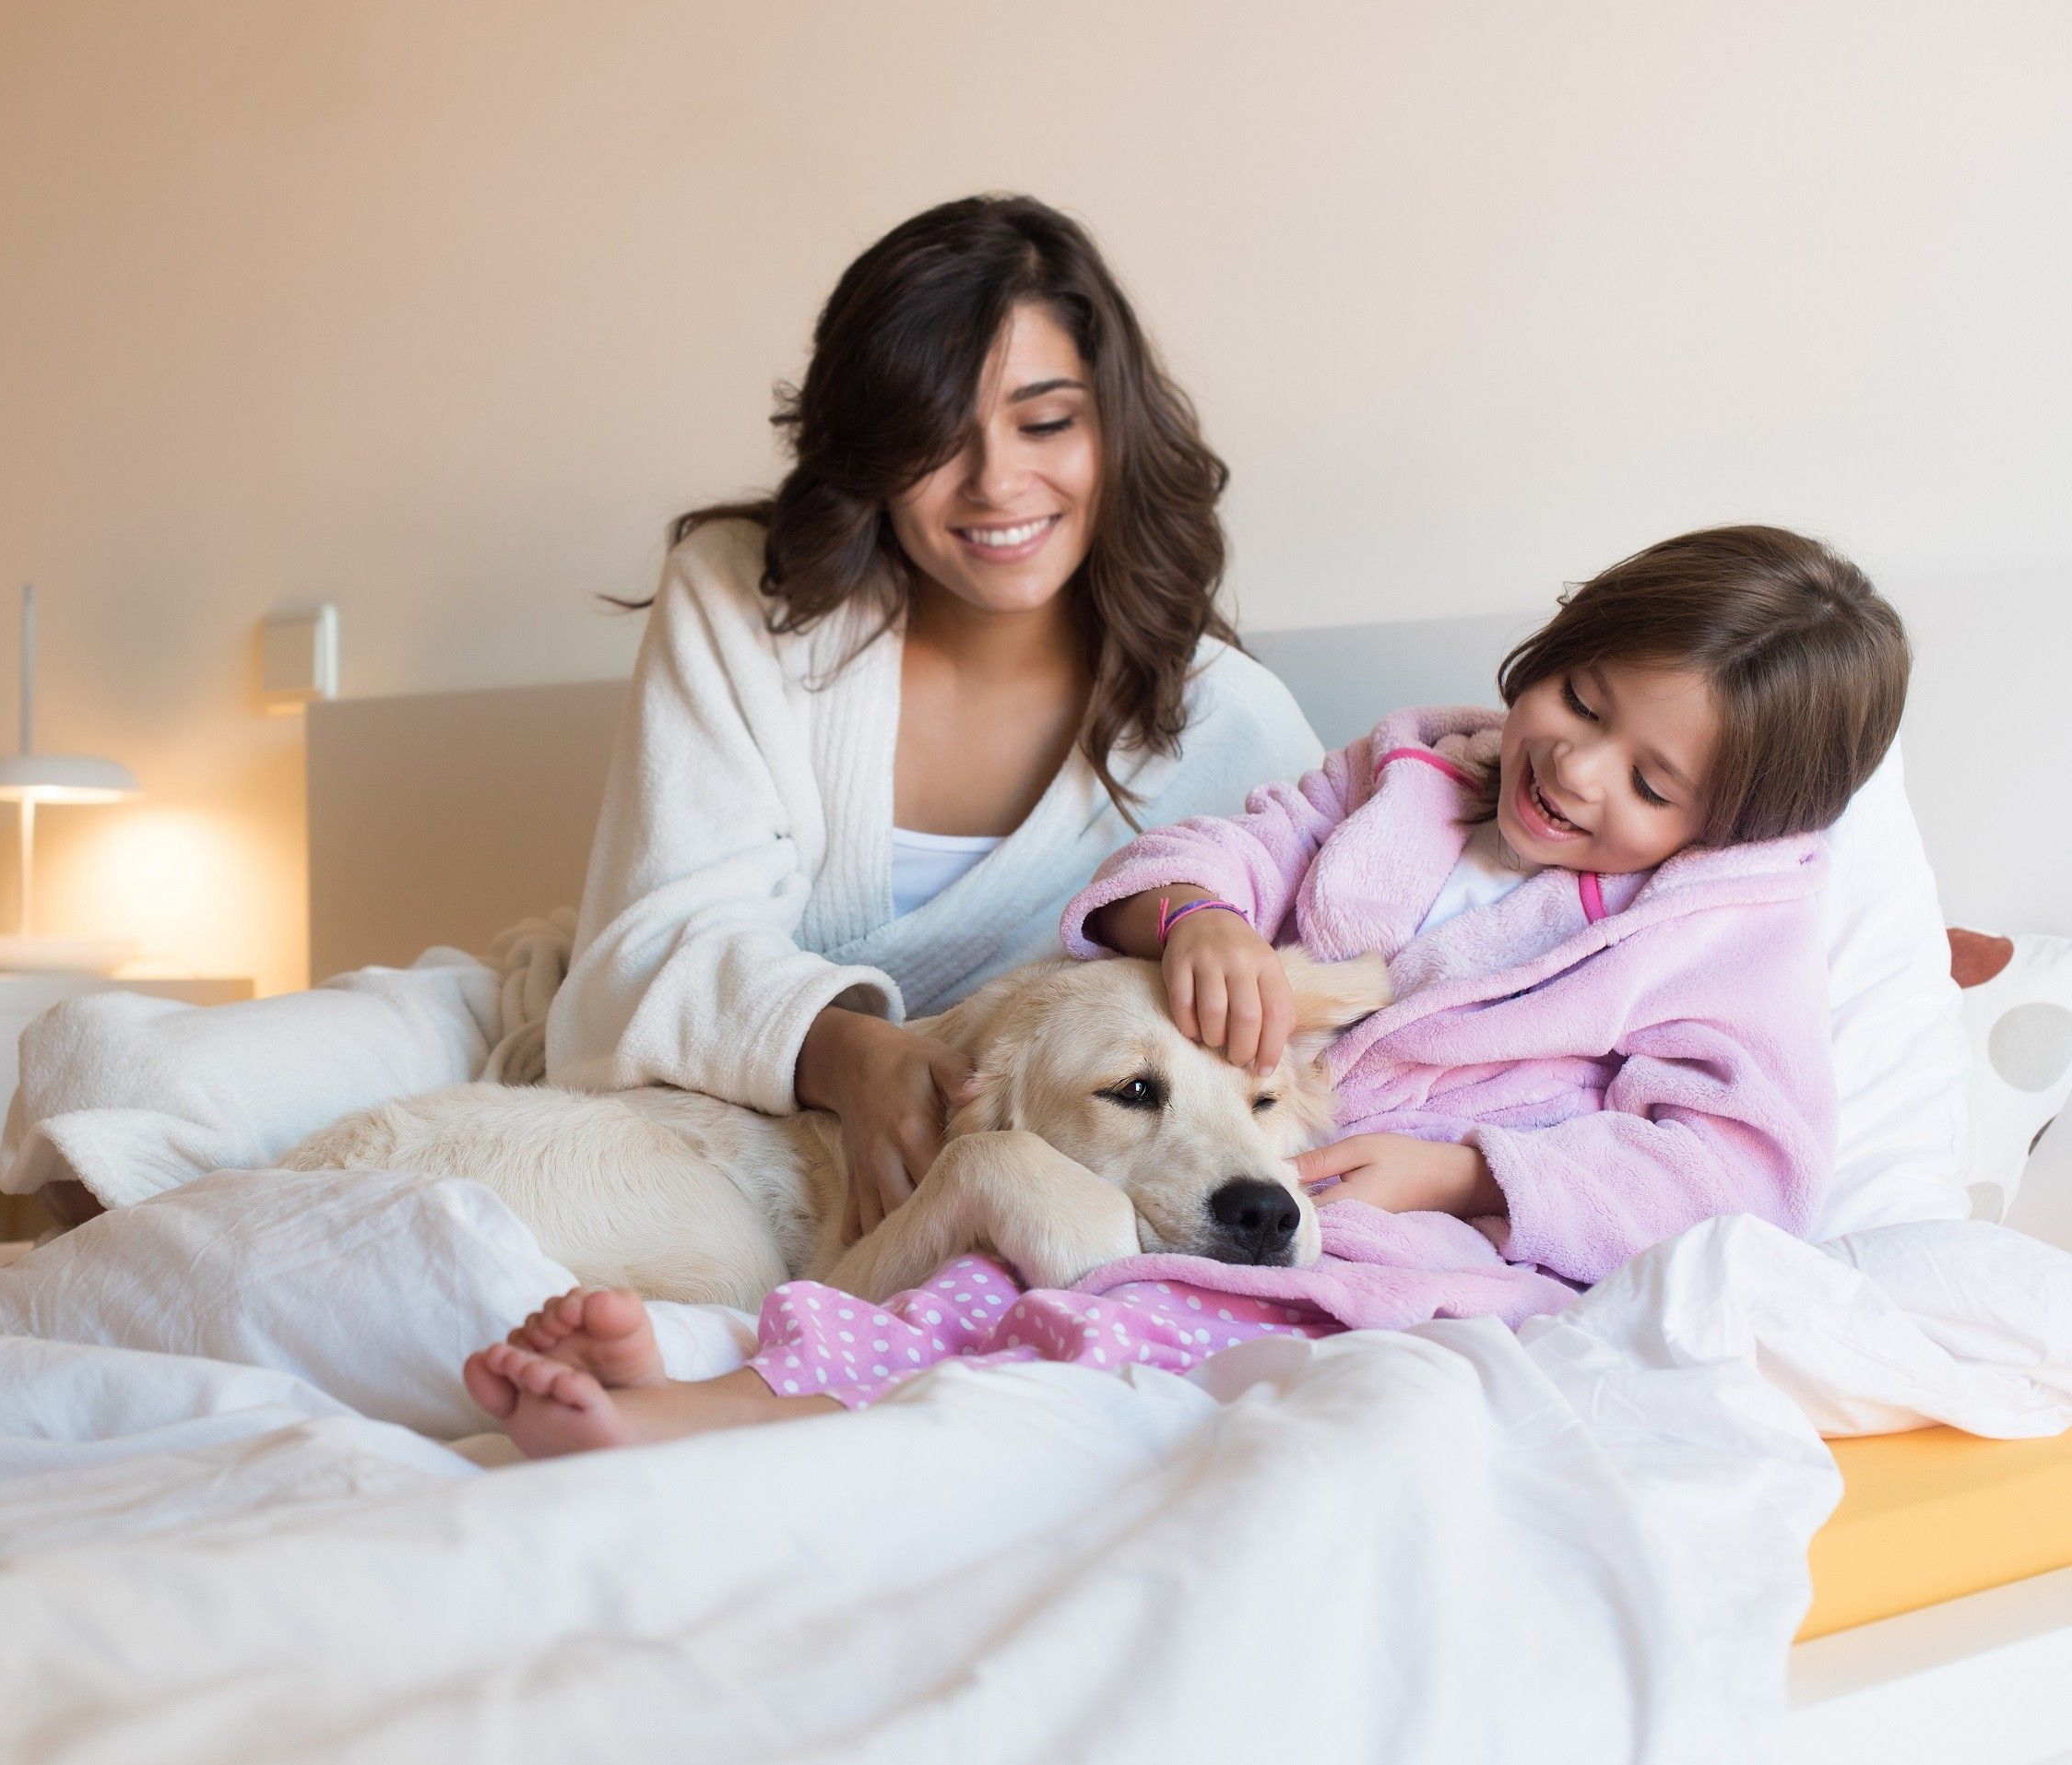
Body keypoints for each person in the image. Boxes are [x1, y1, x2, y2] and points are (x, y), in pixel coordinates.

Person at [464, 525, 1911, 1458]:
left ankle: (816, 1415)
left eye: (1649, 780)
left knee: (1126, 1311)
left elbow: (1742, 1164)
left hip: (1426, 1250)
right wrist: (1201, 913)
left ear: (1724, 826)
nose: (1577, 768)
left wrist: (1472, 1176)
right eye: (1581, 701)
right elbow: (1225, 839)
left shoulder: (1719, 938)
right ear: (1554, 647)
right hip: (1250, 1157)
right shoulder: (1406, 771)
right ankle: (704, 1405)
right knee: (998, 1259)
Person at [6, 194, 1321, 1220]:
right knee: (104, 1083)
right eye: (938, 433)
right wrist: (848, 1050)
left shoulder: (1231, 733)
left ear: (1115, 428)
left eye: (1047, 423)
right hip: (565, 1035)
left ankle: (219, 1275)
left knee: (449, 1247)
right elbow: (658, 936)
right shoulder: (752, 597)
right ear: (870, 450)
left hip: (781, 1180)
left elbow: (1358, 1007)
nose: (996, 484)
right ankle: (156, 1280)